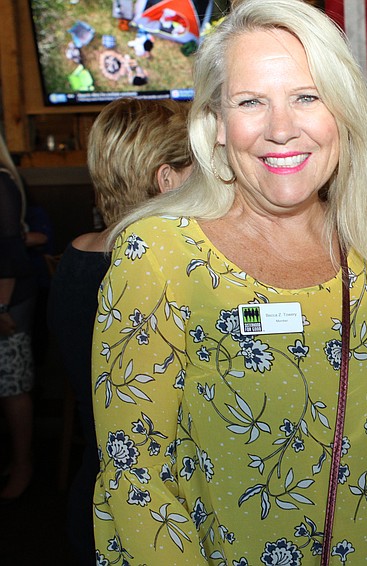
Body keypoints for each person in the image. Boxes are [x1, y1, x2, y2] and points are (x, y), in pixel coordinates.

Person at [89, 0, 367, 564]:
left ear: (341, 112)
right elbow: (134, 475)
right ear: (216, 124)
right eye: (251, 102)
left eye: (306, 97)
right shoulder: (157, 257)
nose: (282, 129)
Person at [47, 97, 192, 565]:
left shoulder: (77, 254)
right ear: (166, 179)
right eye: (200, 165)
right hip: (154, 516)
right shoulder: (161, 272)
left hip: (92, 491)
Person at [0, 133, 36, 504]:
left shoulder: (1, 180)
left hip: (7, 299)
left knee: (11, 386)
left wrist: (1, 308)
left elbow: (9, 252)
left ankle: (24, 465)